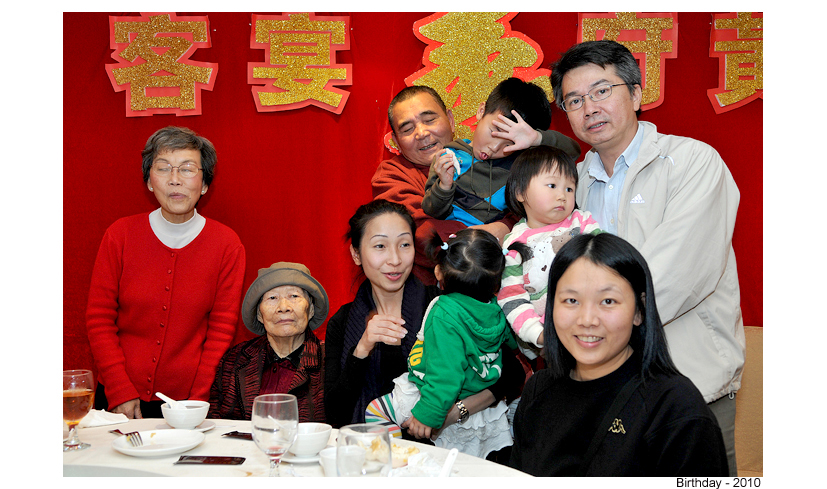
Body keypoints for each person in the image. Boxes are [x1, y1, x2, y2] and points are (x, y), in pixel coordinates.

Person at [550, 39, 744, 475]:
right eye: (574, 100)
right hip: (599, 395)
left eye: (602, 91)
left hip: (690, 386)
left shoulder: (692, 162)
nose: (589, 108)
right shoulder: (570, 185)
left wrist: (586, 324)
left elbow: (676, 274)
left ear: (636, 94)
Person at [509, 233, 729, 476]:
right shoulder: (538, 391)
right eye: (571, 300)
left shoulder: (675, 406)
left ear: (639, 311)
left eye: (608, 301)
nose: (587, 320)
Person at [323, 200, 525, 444]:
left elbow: (511, 374)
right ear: (356, 254)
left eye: (404, 244)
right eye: (380, 246)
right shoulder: (343, 322)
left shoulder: (443, 305)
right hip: (375, 454)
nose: (395, 259)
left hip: (446, 451)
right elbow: (335, 413)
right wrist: (362, 348)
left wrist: (452, 413)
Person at [86, 126, 246, 419]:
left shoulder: (227, 244)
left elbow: (221, 330)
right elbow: (99, 319)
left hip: (187, 403)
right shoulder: (120, 235)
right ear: (149, 181)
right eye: (163, 168)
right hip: (119, 397)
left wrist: (197, 401)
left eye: (187, 169)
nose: (175, 179)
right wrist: (119, 390)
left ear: (205, 184)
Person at [371, 84, 581, 285]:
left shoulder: (517, 165)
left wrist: (536, 138)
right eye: (407, 129)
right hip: (430, 288)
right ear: (396, 141)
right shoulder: (392, 174)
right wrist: (497, 233)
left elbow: (563, 165)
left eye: (429, 120)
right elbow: (421, 234)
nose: (422, 133)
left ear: (451, 119)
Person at [364, 228, 530, 458]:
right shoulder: (495, 308)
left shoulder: (443, 312)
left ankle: (395, 463)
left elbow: (446, 372)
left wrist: (428, 414)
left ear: (439, 272)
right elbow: (512, 342)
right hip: (476, 394)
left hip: (431, 394)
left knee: (376, 411)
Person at [422, 78, 575, 231]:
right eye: (494, 132)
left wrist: (536, 138)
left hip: (493, 241)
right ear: (481, 111)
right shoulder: (448, 157)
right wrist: (444, 186)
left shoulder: (520, 166)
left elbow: (573, 152)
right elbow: (431, 210)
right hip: (450, 236)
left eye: (509, 144)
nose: (494, 148)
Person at [497, 146, 601, 358]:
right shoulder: (514, 245)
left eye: (569, 189)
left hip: (593, 321)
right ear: (520, 192)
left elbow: (608, 258)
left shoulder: (582, 223)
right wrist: (537, 334)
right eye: (552, 185)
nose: (562, 196)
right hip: (548, 338)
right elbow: (511, 296)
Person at [208, 262, 328, 421]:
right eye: (272, 298)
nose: (283, 307)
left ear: (311, 309)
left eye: (294, 296)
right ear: (259, 314)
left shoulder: (330, 359)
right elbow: (216, 422)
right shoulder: (235, 360)